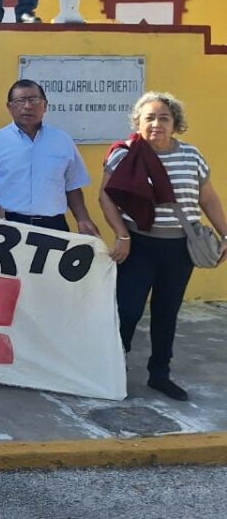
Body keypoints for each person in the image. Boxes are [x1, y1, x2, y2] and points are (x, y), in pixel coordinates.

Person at [99, 92, 227, 401]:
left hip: (178, 249)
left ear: (176, 124)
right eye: (149, 118)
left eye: (164, 118)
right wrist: (121, 235)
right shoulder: (124, 154)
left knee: (166, 312)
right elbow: (104, 197)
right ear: (138, 122)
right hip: (138, 245)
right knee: (127, 310)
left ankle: (160, 374)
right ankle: (112, 372)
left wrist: (226, 234)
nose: (156, 124)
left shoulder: (191, 156)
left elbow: (207, 198)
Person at [0, 80, 97, 235]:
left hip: (53, 226)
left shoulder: (62, 141)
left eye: (33, 100)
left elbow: (73, 186)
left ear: (45, 105)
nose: (27, 106)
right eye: (20, 101)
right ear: (10, 107)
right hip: (9, 224)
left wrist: (83, 219)